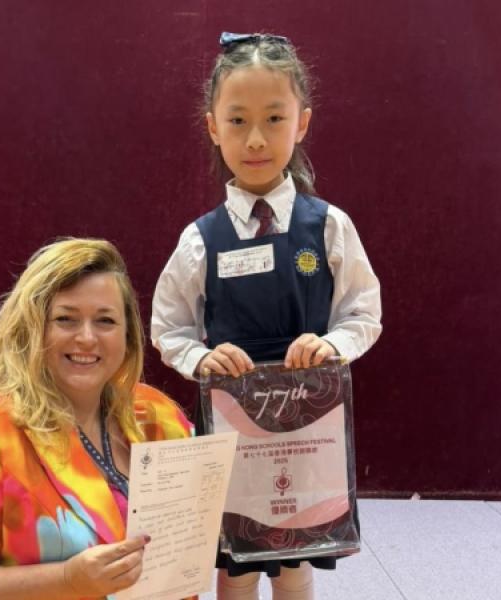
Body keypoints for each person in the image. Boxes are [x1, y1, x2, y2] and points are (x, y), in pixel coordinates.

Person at [151, 32, 382, 599]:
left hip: (307, 420)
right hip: (231, 418)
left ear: (302, 122)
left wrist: (333, 345)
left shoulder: (328, 227)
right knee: (235, 562)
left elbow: (362, 311)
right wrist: (201, 357)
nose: (255, 139)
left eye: (274, 118)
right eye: (238, 121)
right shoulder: (200, 241)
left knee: (298, 554)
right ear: (213, 127)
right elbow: (169, 327)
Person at [0, 238, 194, 600]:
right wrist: (65, 580)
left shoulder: (157, 415)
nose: (87, 337)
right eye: (65, 319)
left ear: (127, 335)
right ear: (32, 328)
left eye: (105, 320)